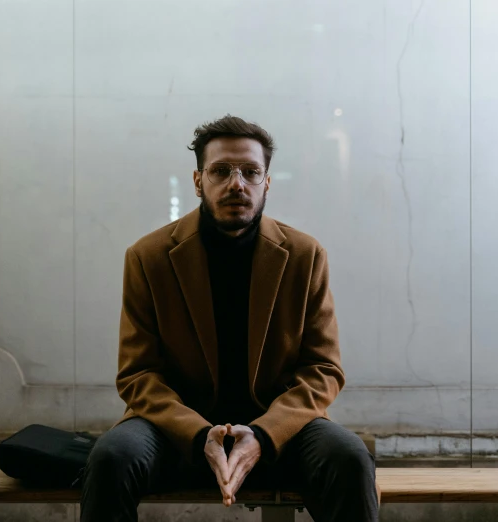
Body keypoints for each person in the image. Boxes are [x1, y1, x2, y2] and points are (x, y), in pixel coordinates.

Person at [80, 115, 378, 521]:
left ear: (266, 183)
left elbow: (323, 369)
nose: (236, 183)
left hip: (279, 430)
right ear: (198, 181)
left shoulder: (306, 256)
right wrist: (200, 434)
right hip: (177, 431)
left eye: (251, 172)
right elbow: (138, 375)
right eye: (221, 171)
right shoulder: (147, 258)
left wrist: (265, 435)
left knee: (350, 457)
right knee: (111, 457)